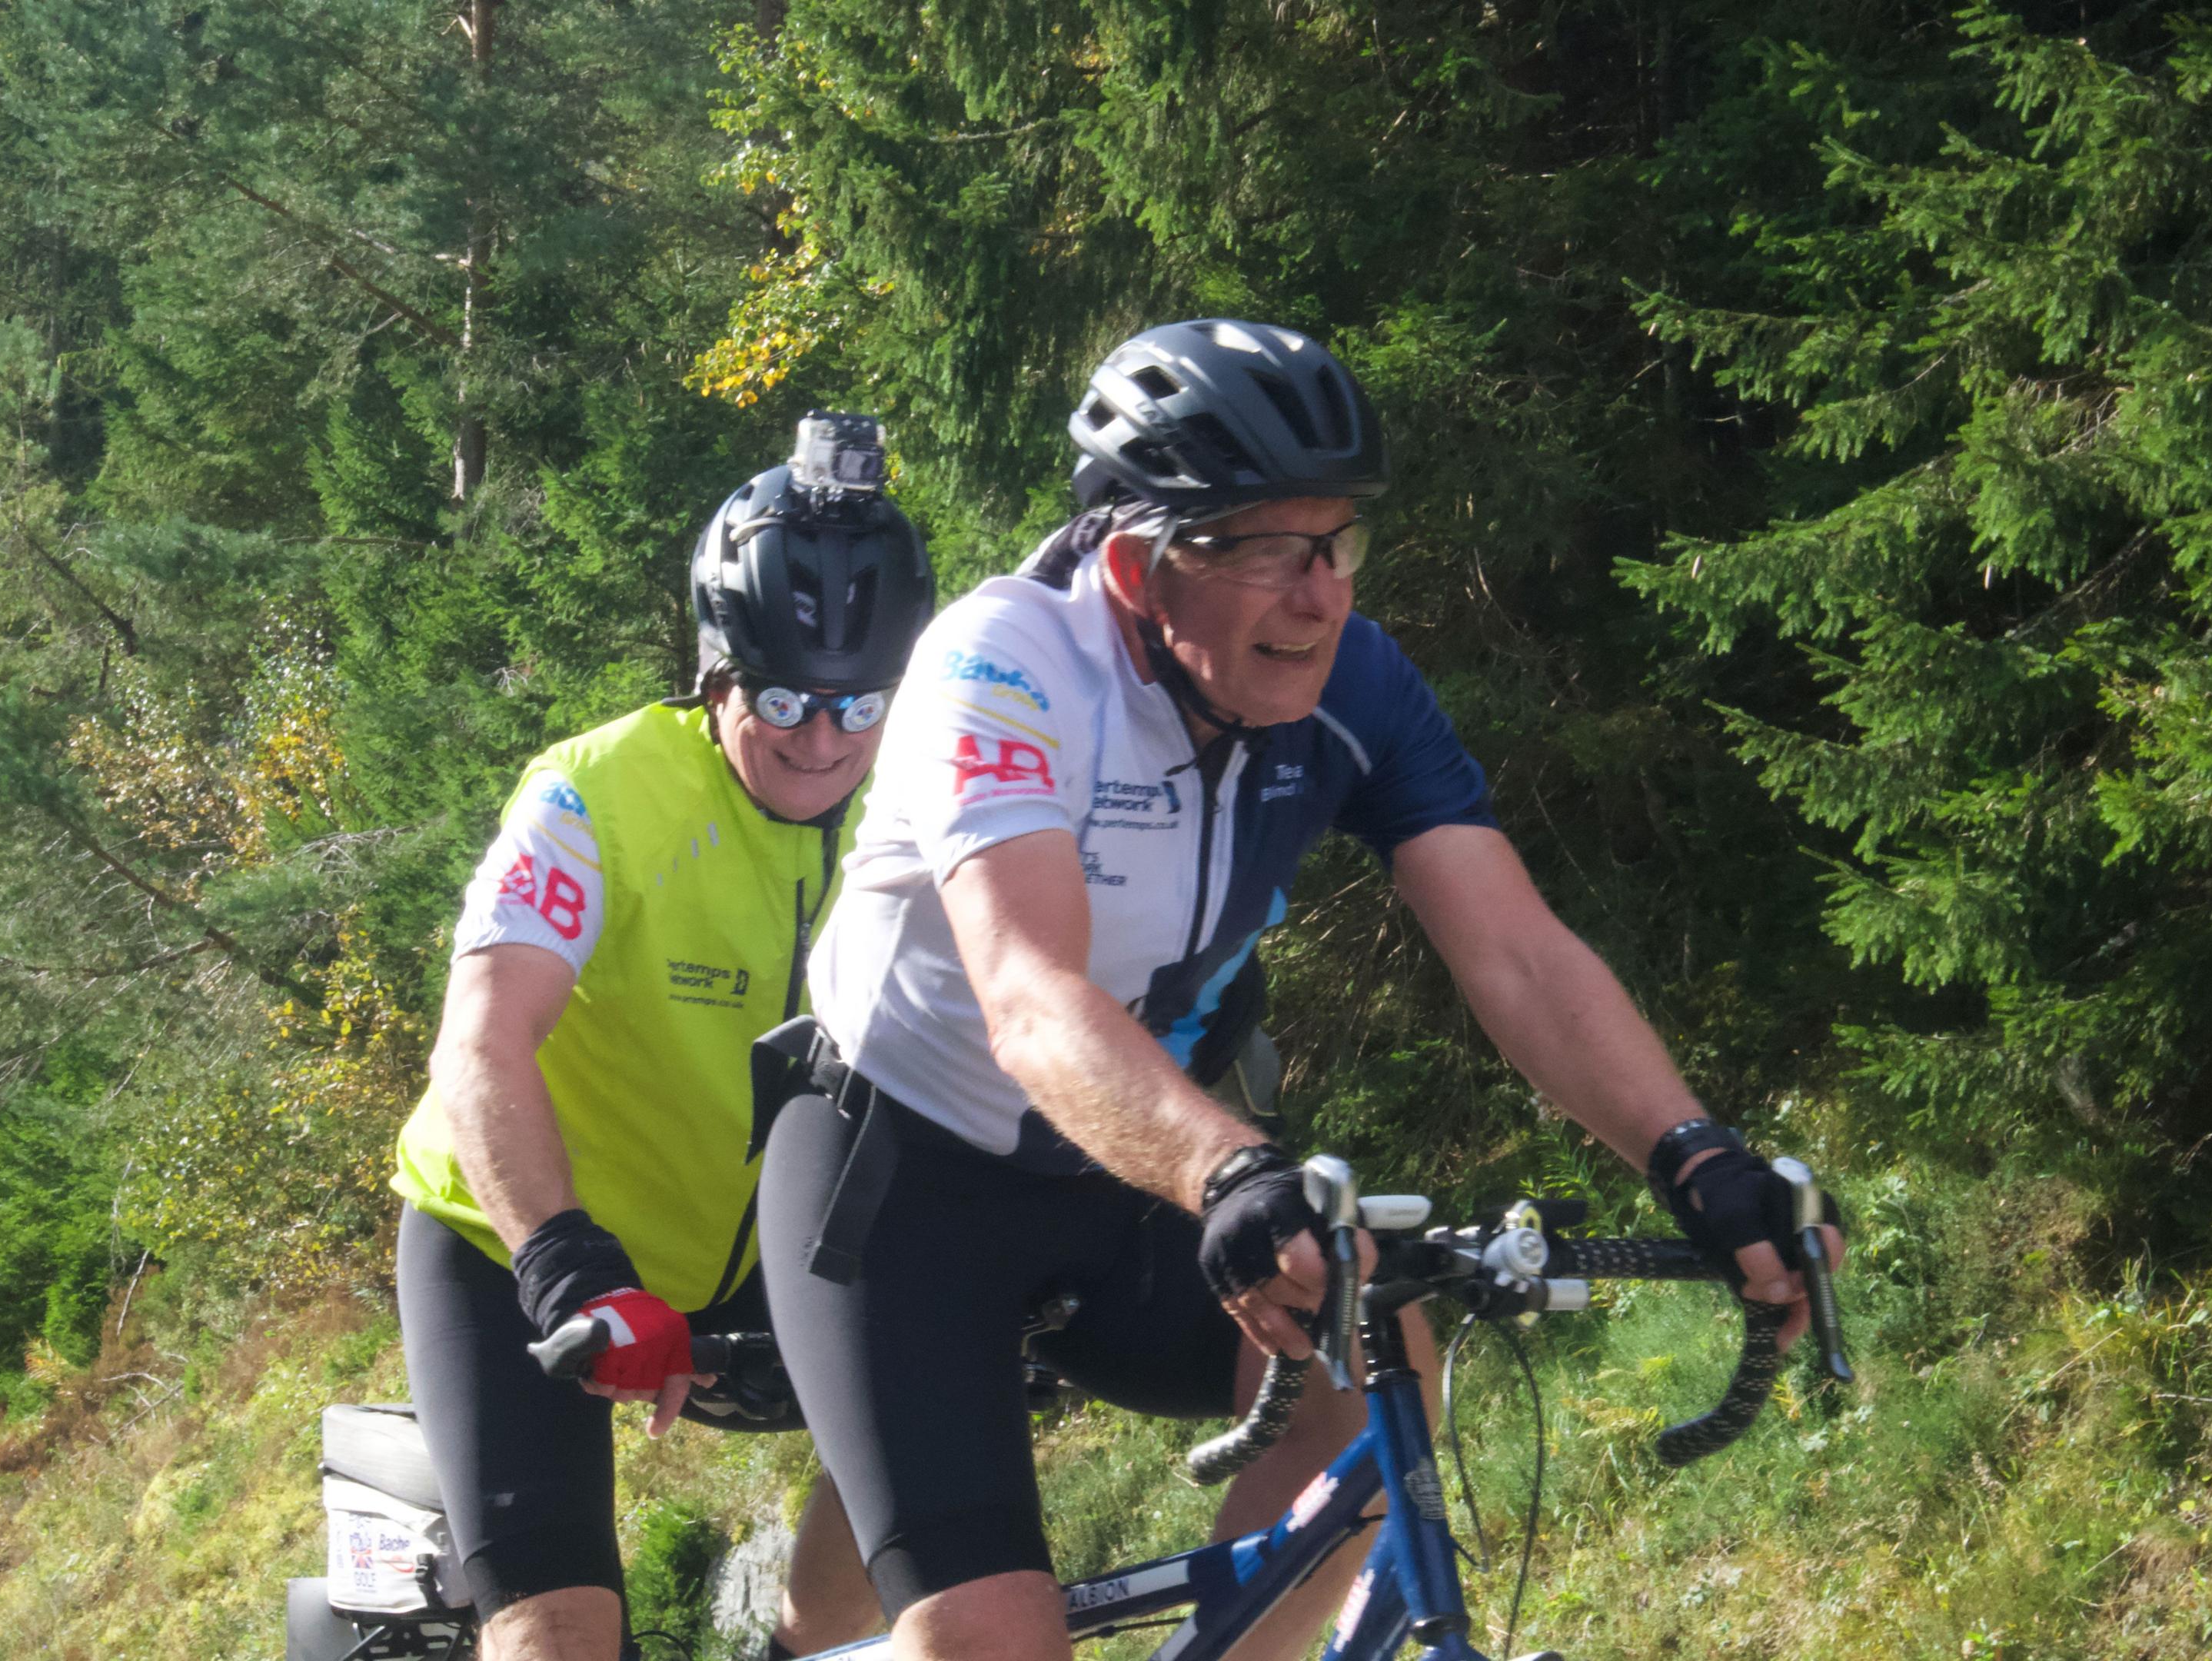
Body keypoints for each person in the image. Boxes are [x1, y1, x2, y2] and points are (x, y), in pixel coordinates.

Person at [758, 321, 1845, 1661]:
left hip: (1121, 1174)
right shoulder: (1004, 665)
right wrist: (1230, 1171)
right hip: (901, 1178)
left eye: (1337, 543)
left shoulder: (1361, 685)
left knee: (1370, 1353)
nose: (1321, 594)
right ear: (1136, 568)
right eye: (1269, 547)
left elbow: (1516, 950)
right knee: (988, 1641)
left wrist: (1693, 1154)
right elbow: (1028, 996)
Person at [390, 414, 933, 1661]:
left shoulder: (923, 805)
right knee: (560, 1636)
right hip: (518, 1243)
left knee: (937, 1416)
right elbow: (480, 1044)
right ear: (716, 669)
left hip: (759, 1259)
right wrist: (570, 1266)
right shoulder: (596, 793)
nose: (821, 740)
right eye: (785, 697)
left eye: (861, 704)